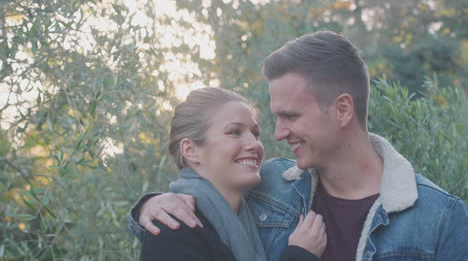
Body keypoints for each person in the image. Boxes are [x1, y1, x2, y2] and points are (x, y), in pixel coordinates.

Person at [130, 31, 468, 261]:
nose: (276, 134)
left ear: (342, 110)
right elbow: (199, 207)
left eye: (289, 116)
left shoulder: (440, 218)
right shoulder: (269, 186)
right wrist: (151, 204)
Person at [138, 87, 326, 261]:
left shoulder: (256, 213)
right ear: (191, 150)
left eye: (255, 133)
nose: (254, 144)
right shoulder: (173, 230)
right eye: (235, 132)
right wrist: (300, 255)